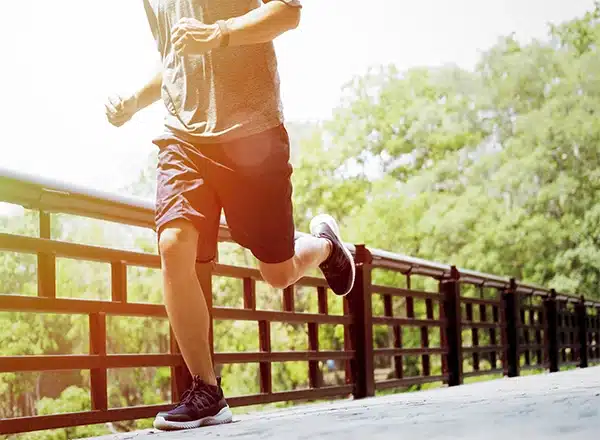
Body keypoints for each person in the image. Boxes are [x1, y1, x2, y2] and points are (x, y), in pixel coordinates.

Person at [105, 0, 355, 431]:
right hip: (182, 138)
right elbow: (177, 61)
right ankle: (206, 390)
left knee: (277, 273)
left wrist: (221, 33)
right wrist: (133, 102)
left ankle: (325, 246)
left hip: (252, 136)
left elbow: (288, 13)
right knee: (173, 245)